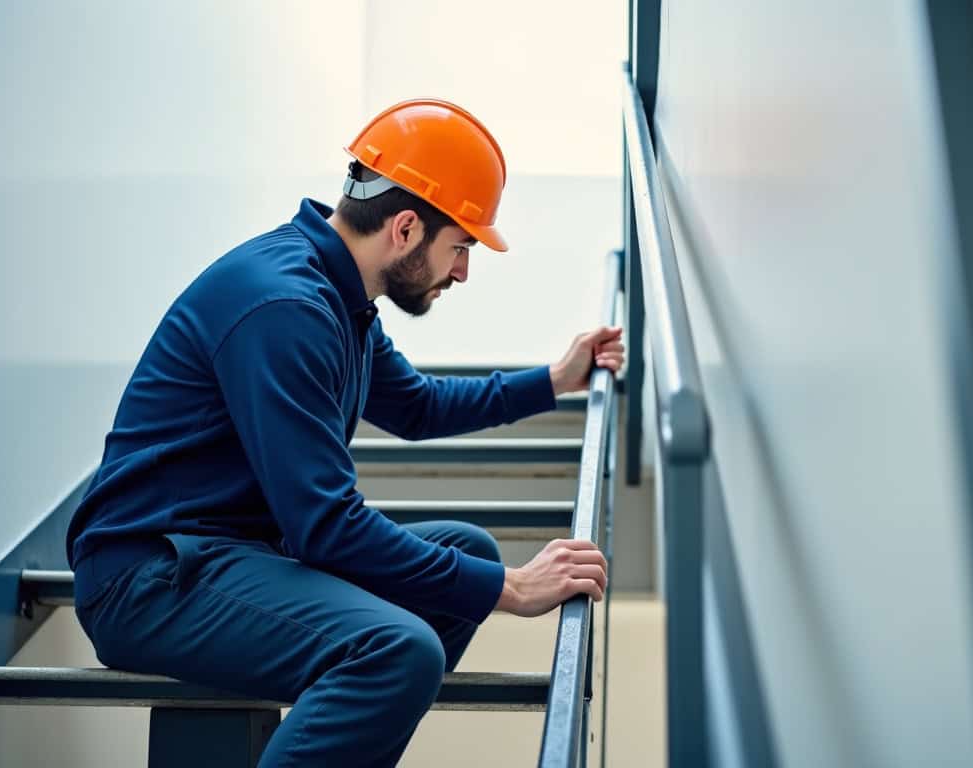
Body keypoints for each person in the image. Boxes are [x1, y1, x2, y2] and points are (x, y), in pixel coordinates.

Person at [65, 99, 623, 767]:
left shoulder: (337, 297)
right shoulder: (286, 307)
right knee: (397, 649)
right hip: (150, 576)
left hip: (233, 554)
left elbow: (416, 407)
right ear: (407, 228)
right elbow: (326, 528)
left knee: (461, 550)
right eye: (460, 247)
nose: (463, 272)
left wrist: (555, 380)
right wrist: (511, 587)